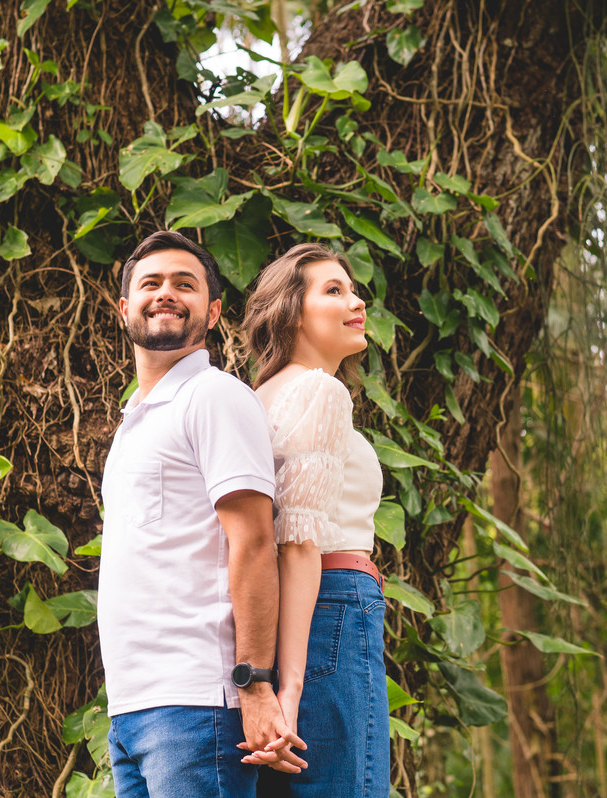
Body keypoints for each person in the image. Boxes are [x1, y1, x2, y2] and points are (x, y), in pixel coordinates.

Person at [98, 230, 306, 797]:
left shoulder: (214, 397)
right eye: (151, 283)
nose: (165, 293)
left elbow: (254, 542)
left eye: (184, 284)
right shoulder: (134, 421)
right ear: (125, 308)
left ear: (212, 312)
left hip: (196, 704)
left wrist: (254, 684)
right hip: (132, 708)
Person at [240, 244, 391, 797]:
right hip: (334, 606)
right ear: (292, 313)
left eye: (353, 289)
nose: (357, 302)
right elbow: (299, 544)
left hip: (281, 616)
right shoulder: (320, 390)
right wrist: (291, 688)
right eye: (334, 290)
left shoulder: (255, 399)